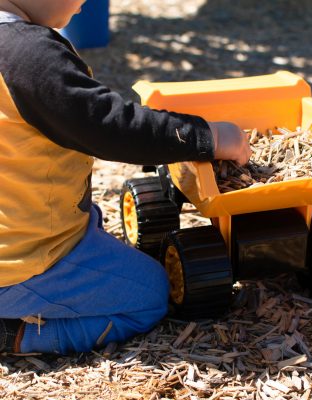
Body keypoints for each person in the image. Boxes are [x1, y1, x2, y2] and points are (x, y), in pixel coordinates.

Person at [0, 0, 251, 355]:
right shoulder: (27, 55)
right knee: (148, 295)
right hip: (22, 260)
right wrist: (206, 137)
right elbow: (107, 125)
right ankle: (16, 334)